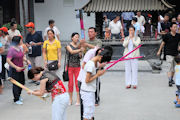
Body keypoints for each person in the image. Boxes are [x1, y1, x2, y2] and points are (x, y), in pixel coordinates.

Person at [80, 48, 112, 120]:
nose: (102, 62)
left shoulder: (95, 63)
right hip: (87, 92)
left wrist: (101, 68)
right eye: (103, 60)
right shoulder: (90, 65)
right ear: (101, 57)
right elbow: (87, 80)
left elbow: (98, 66)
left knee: (90, 113)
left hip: (90, 91)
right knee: (87, 115)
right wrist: (98, 75)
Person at [6, 36, 31, 104]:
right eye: (21, 40)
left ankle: (18, 95)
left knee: (22, 83)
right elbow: (8, 60)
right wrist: (16, 67)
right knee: (16, 84)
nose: (22, 41)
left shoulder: (20, 48)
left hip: (21, 68)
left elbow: (22, 56)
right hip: (14, 70)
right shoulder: (11, 50)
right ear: (17, 41)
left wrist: (27, 60)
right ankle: (16, 99)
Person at [157, 22, 180, 87]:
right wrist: (159, 51)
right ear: (171, 28)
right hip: (168, 53)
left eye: (176, 27)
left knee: (174, 68)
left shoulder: (178, 36)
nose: (176, 28)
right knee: (169, 67)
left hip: (176, 54)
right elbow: (162, 43)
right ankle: (170, 80)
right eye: (174, 27)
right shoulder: (167, 35)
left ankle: (171, 79)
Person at [66, 32, 83, 105]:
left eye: (78, 37)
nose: (77, 38)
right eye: (76, 37)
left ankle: (78, 100)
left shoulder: (79, 46)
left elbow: (80, 57)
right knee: (70, 84)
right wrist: (79, 50)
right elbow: (72, 51)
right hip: (70, 66)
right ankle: (70, 99)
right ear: (72, 38)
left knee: (77, 83)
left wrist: (80, 53)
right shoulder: (68, 45)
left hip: (77, 66)